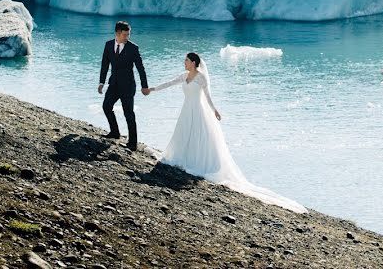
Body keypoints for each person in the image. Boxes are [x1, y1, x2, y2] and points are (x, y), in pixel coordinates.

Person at [150, 52, 306, 213]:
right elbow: (169, 83)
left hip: (197, 112)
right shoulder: (184, 76)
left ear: (194, 62)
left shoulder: (201, 77)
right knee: (183, 135)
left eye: (187, 61)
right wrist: (152, 89)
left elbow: (207, 96)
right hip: (186, 111)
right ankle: (183, 157)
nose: (184, 63)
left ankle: (195, 161)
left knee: (197, 136)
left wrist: (214, 110)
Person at [98, 21, 149, 151]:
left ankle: (133, 143)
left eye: (128, 34)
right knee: (106, 106)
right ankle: (115, 132)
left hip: (128, 86)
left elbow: (140, 68)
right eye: (125, 35)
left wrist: (144, 86)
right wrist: (101, 82)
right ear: (117, 33)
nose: (127, 37)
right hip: (114, 84)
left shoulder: (133, 48)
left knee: (129, 114)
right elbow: (105, 65)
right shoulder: (108, 45)